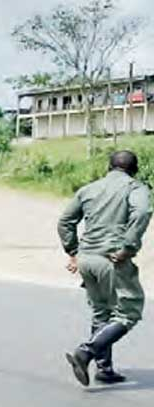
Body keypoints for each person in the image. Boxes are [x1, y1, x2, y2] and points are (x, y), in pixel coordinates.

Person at [59, 150, 151, 387]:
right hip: (112, 259)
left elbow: (65, 221)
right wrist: (128, 247)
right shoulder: (135, 188)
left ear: (109, 167)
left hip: (87, 259)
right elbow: (142, 212)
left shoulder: (89, 189)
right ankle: (86, 351)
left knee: (101, 311)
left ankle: (104, 368)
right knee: (129, 312)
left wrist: (73, 252)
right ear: (134, 169)